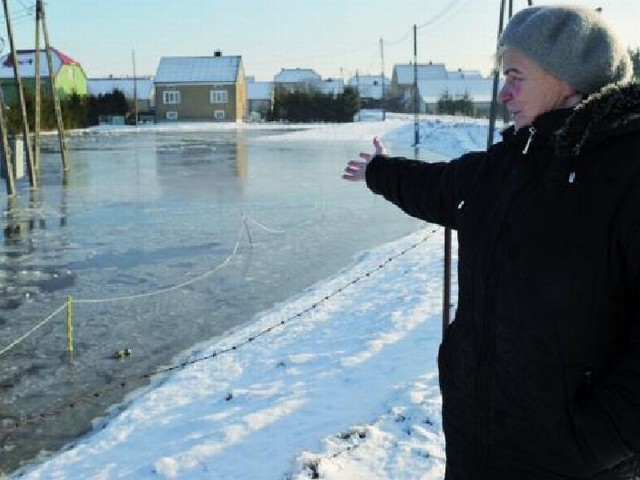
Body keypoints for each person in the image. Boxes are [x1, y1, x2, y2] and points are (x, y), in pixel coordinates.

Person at [343, 5, 640, 480]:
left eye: (515, 76)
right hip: (476, 441)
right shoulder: (510, 161)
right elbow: (440, 188)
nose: (503, 93)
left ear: (566, 78)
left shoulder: (628, 171)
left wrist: (595, 440)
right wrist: (380, 171)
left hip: (572, 464)